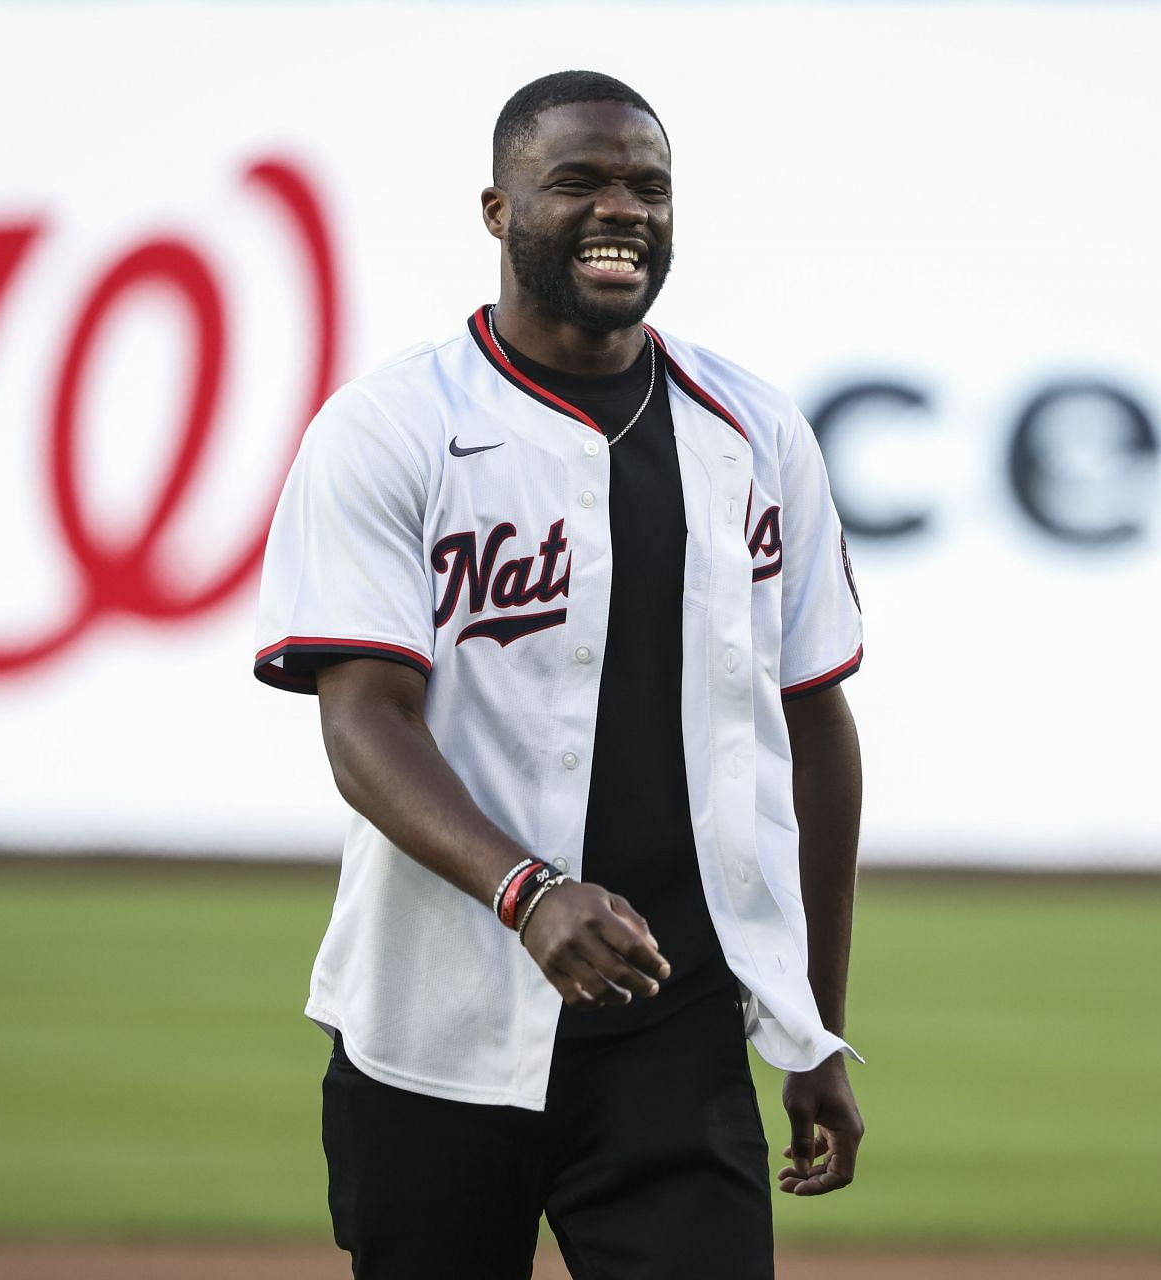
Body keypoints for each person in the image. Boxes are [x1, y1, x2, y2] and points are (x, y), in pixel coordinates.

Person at [251, 69, 866, 1279]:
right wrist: (528, 891)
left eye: (648, 186)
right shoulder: (390, 428)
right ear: (497, 209)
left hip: (674, 1030)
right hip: (431, 1024)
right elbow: (365, 724)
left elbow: (816, 729)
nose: (619, 210)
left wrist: (814, 1022)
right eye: (577, 181)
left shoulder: (756, 433)